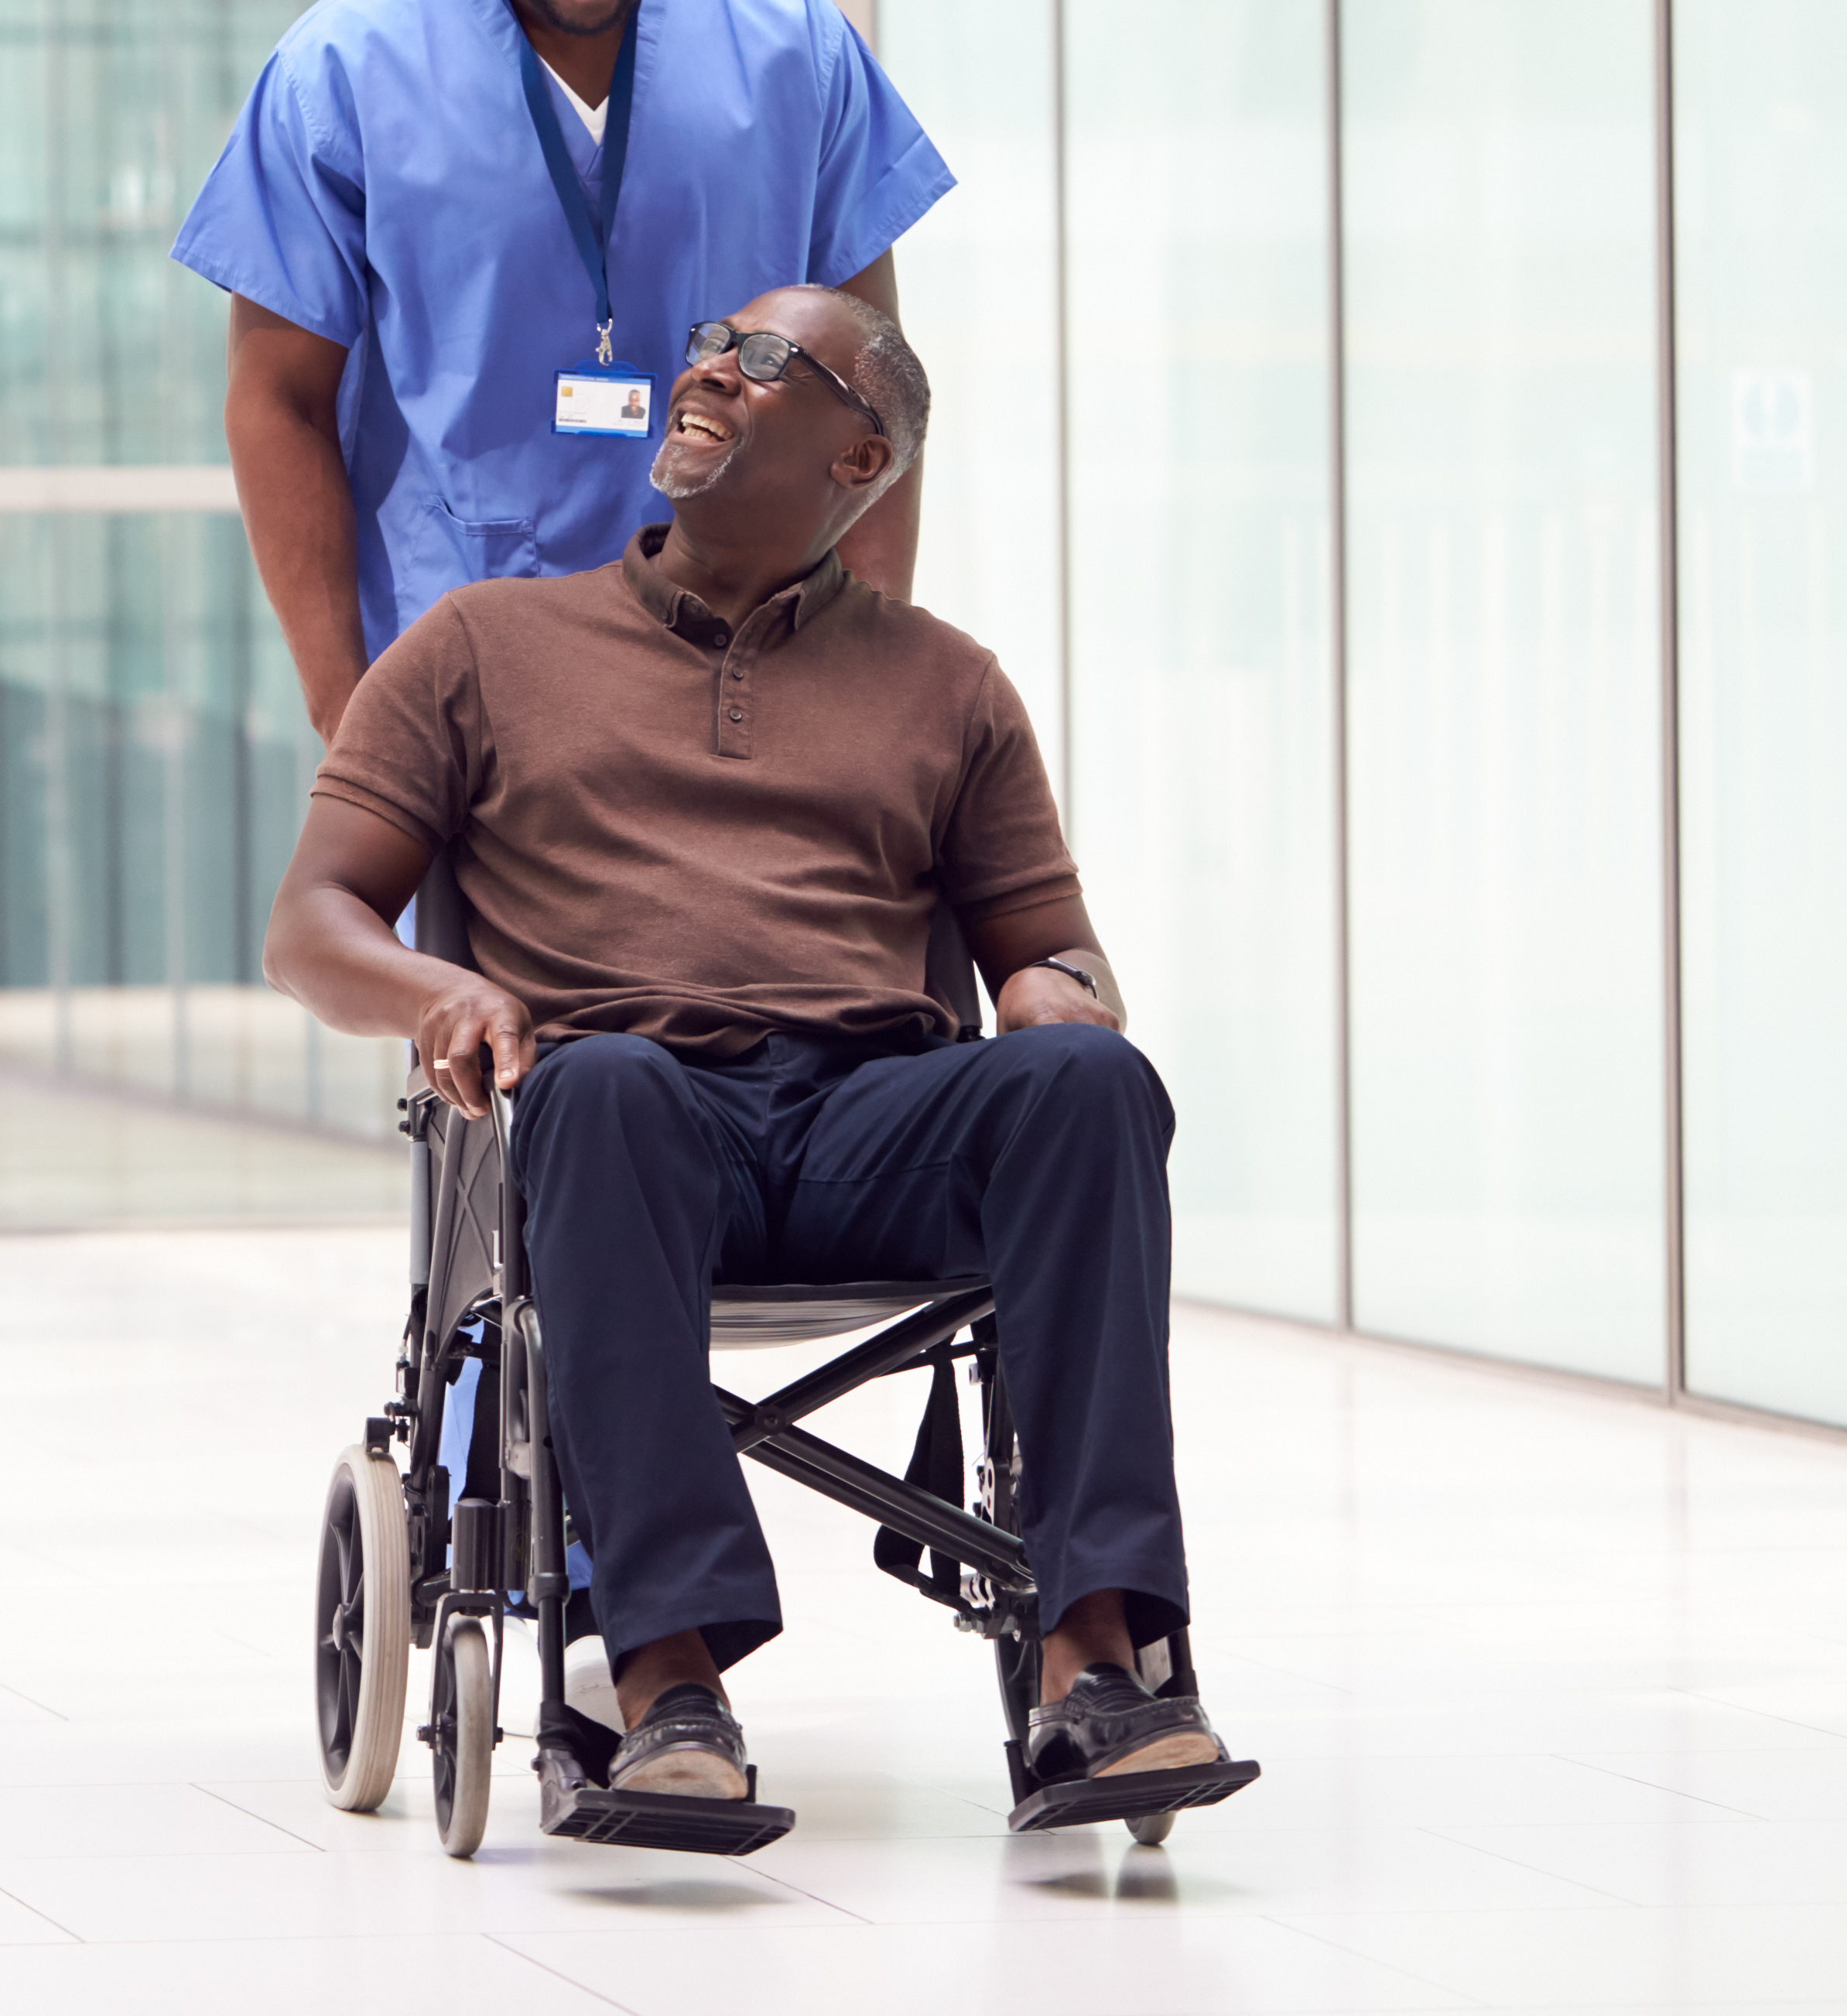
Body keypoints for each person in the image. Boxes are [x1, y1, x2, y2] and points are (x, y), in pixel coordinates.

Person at [260, 283, 1238, 1819]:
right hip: (633, 1129)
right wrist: (440, 994)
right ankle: (664, 1689)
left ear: (862, 462)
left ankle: (1098, 1668)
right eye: (709, 339)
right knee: (603, 1082)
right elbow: (313, 920)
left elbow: (1054, 945)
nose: (708, 363)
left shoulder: (948, 683)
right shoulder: (483, 648)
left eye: (768, 359)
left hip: (872, 1121)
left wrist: (1060, 986)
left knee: (1091, 1084)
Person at [182, 0, 955, 744]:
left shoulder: (791, 47)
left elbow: (874, 388)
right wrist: (347, 715)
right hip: (466, 690)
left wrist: (863, 679)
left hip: (749, 678)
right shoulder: (341, 75)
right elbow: (275, 401)